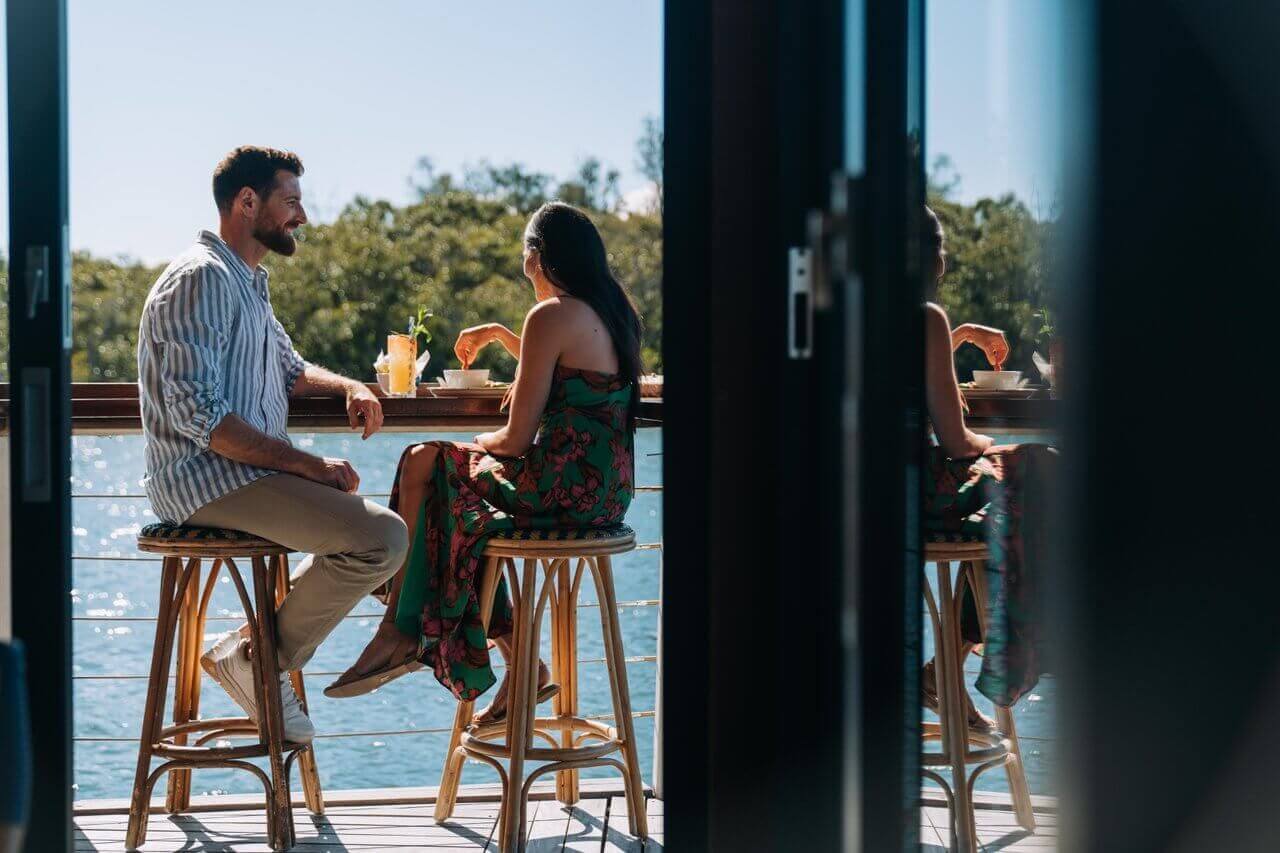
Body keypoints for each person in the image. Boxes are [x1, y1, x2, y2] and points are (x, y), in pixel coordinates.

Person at [325, 202, 642, 726]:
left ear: (535, 256)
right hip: (606, 494)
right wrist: (499, 333)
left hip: (558, 488)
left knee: (424, 462)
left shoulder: (550, 315)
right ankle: (519, 659)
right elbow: (569, 370)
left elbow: (515, 441)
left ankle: (399, 629)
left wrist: (478, 442)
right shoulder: (612, 315)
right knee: (464, 504)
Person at [137, 146, 409, 743]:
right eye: (291, 202)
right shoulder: (202, 279)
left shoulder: (246, 283)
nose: (302, 217)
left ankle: (254, 654)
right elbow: (199, 414)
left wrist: (351, 386)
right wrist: (307, 464)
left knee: (380, 537)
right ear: (247, 202)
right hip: (203, 480)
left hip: (244, 477)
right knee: (383, 539)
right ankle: (259, 660)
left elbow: (291, 369)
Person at [922, 205, 1056, 728]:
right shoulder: (925, 318)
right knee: (1035, 472)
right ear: (934, 260)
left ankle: (945, 669)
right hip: (922, 493)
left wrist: (955, 336)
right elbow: (956, 442)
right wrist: (992, 446)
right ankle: (955, 667)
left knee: (1001, 500)